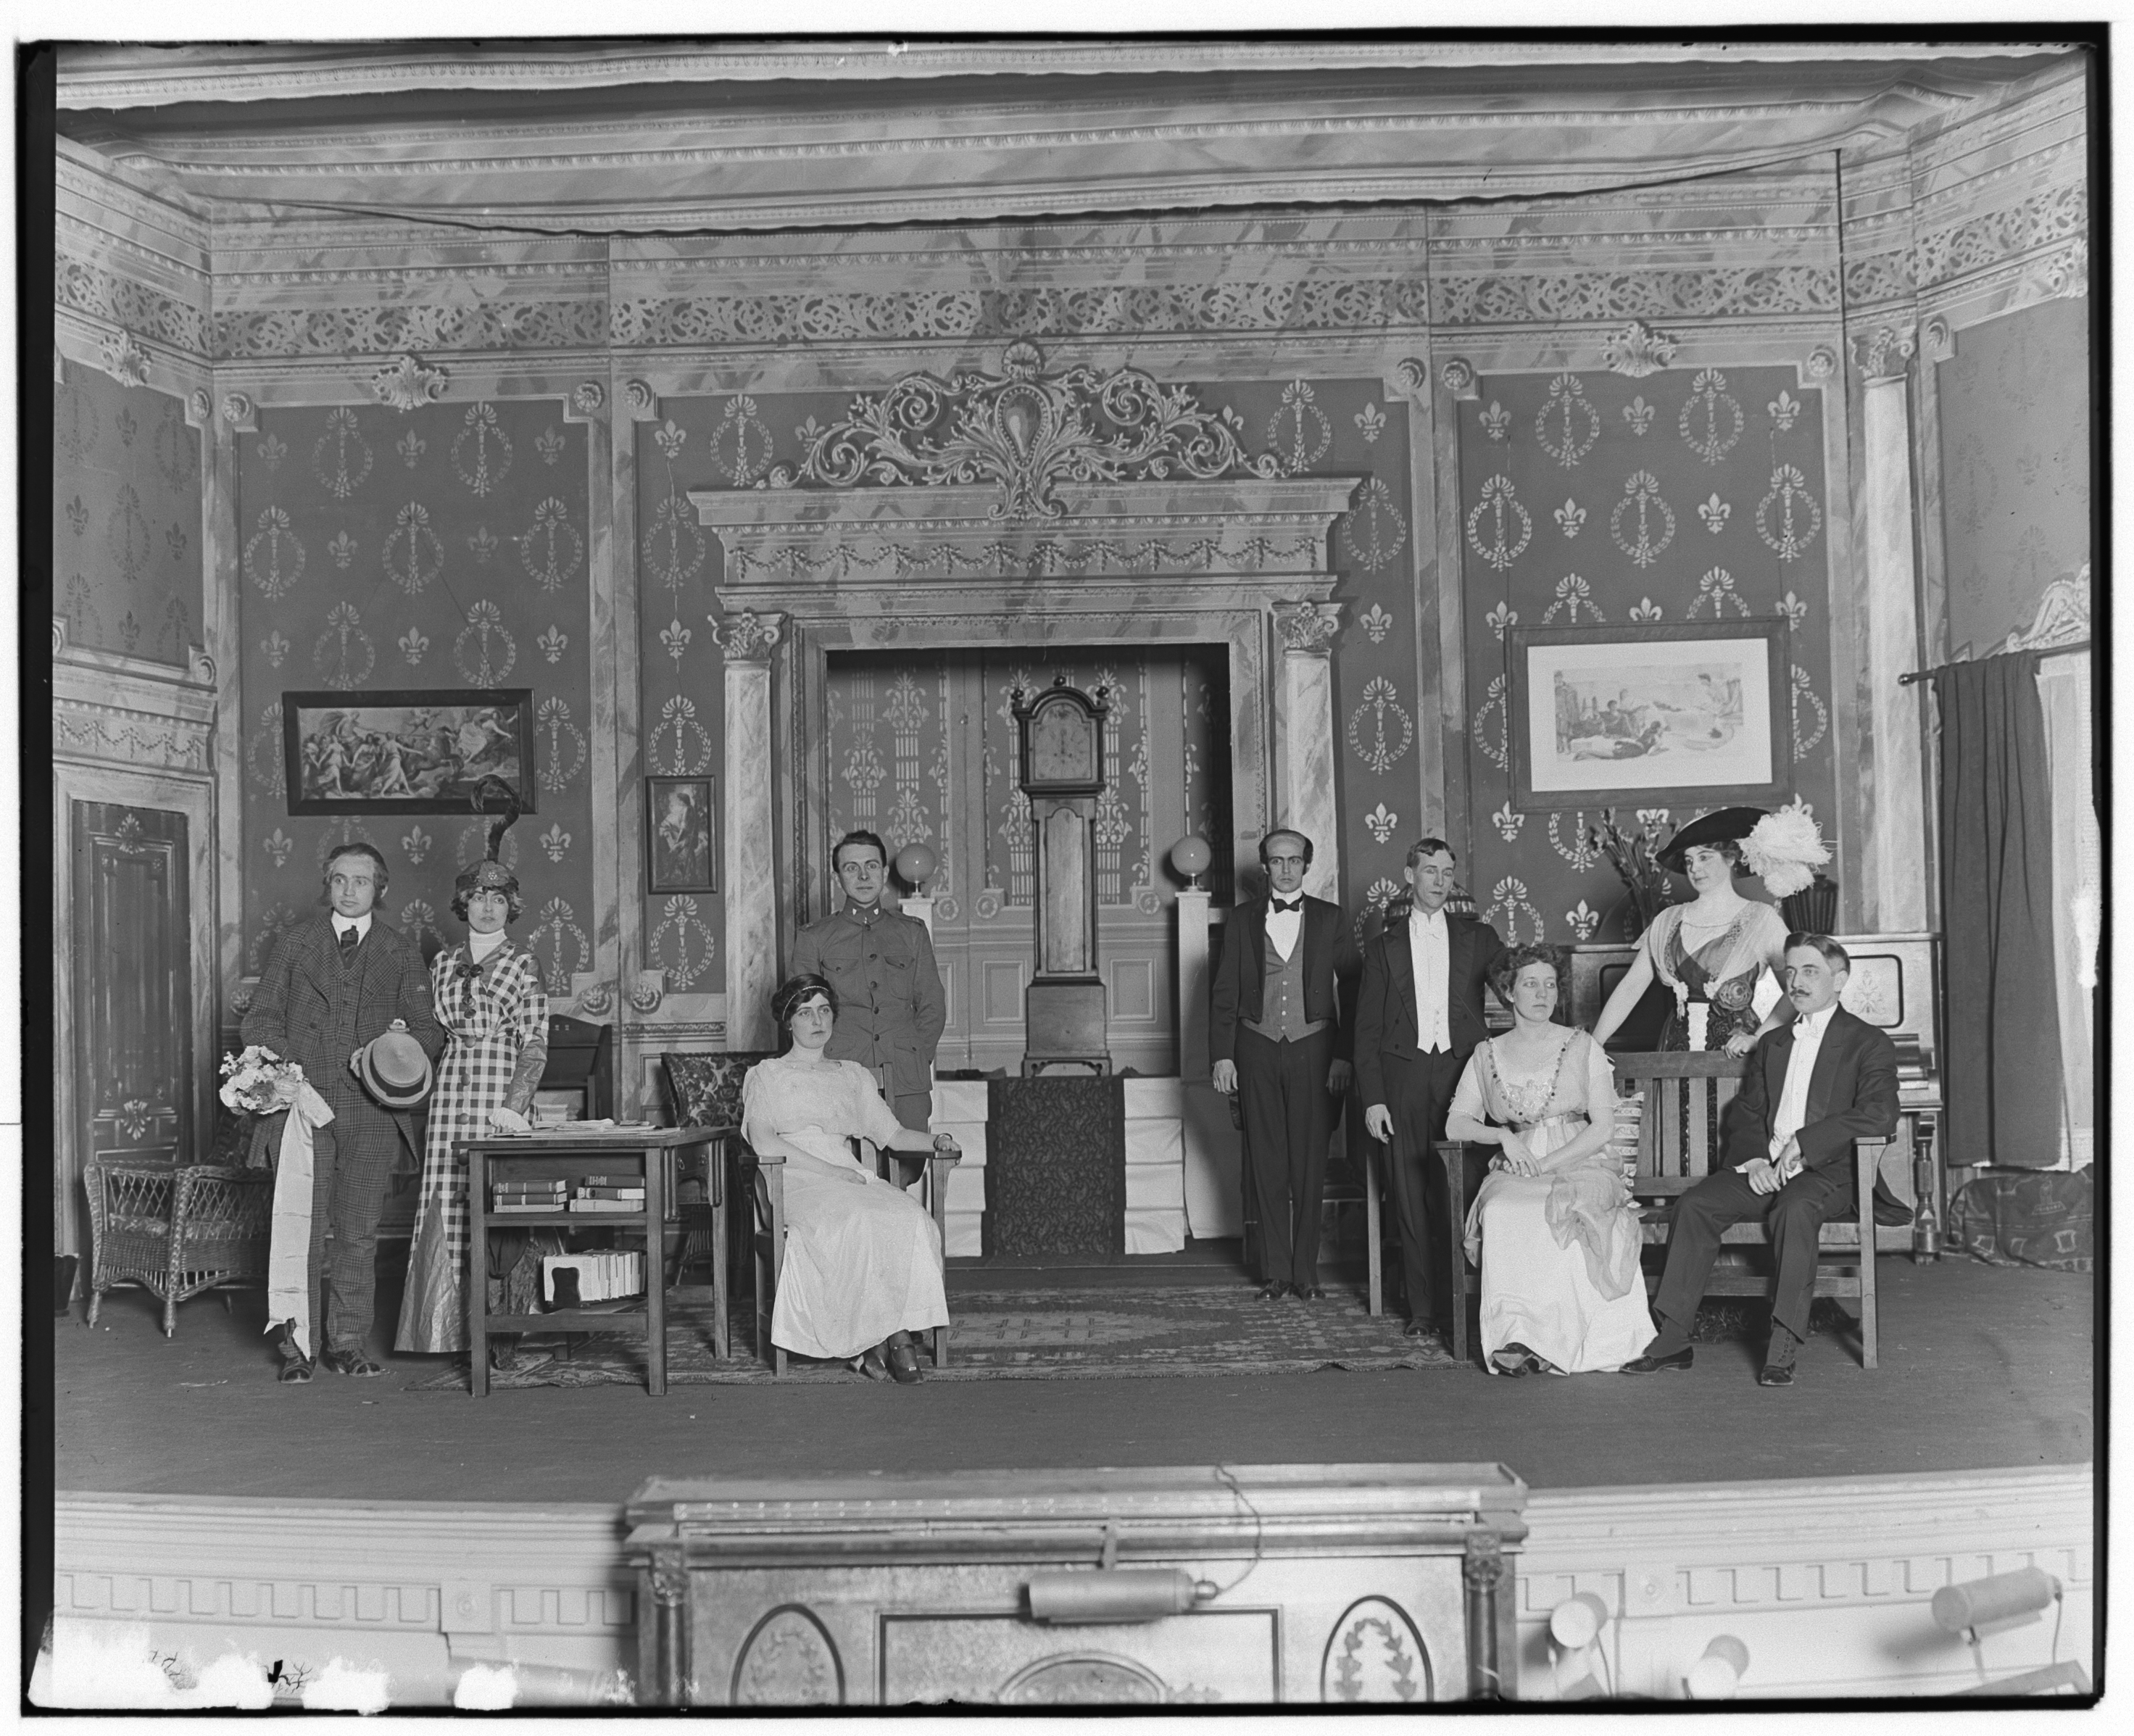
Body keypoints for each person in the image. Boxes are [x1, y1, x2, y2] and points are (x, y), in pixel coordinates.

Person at [1623, 934, 1901, 1387]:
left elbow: (1879, 1113)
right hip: (1765, 1169)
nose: (1796, 982)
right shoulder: (1773, 1043)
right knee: (1696, 1205)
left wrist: (1806, 1143)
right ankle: (1672, 1338)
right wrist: (1753, 1161)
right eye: (1790, 972)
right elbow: (1748, 1112)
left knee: (1796, 1208)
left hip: (1827, 1175)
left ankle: (1783, 1343)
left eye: (1810, 971)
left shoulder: (1867, 1042)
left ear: (1839, 979)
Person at [243, 842, 444, 1382]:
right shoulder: (297, 943)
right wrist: (290, 1065)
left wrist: (396, 1045)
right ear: (327, 885)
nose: (349, 890)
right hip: (303, 1107)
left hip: (372, 1110)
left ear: (380, 889)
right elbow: (260, 1019)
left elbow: (428, 1031)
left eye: (361, 880)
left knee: (357, 1233)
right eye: (339, 879)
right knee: (301, 1231)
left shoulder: (399, 950)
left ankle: (348, 1343)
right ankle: (297, 1347)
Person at [1442, 946, 1653, 1375]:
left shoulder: (1582, 1045)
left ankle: (1575, 1340)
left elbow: (1603, 1127)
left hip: (1582, 1158)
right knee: (1503, 1208)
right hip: (1518, 1161)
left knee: (1566, 1205)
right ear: (1508, 992)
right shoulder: (1486, 1053)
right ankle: (1518, 1337)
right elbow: (1455, 1124)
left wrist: (1549, 1163)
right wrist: (1503, 1136)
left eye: (1551, 985)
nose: (1543, 994)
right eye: (1531, 984)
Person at [742, 973, 955, 1383]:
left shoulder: (852, 1075)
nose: (817, 1020)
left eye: (824, 1010)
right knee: (855, 1218)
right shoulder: (766, 1075)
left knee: (909, 1216)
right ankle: (897, 1341)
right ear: (788, 1022)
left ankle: (880, 1341)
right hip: (790, 1177)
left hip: (848, 1175)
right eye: (805, 1013)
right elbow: (764, 1141)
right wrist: (832, 1172)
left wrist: (936, 1140)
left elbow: (893, 1134)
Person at [396, 805, 547, 1356]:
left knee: (497, 1202)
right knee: (445, 1196)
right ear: (464, 905)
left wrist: (514, 1107)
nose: (487, 907)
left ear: (511, 908)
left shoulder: (524, 963)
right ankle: (444, 1330)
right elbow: (431, 1033)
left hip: (499, 1094)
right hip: (449, 1095)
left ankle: (507, 1326)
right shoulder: (442, 963)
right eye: (479, 898)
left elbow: (535, 1041)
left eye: (498, 900)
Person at [1354, 836, 1506, 1341]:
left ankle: (1464, 1301)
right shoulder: (1383, 948)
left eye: (1447, 872)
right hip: (1402, 1076)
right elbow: (1366, 1032)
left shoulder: (1478, 938)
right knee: (1408, 1192)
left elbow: (1519, 982)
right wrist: (1374, 1099)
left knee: (1461, 1189)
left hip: (1461, 1076)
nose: (1439, 881)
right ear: (1410, 875)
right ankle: (1423, 1309)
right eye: (1429, 871)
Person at [1209, 828, 1360, 1300]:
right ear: (1265, 867)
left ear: (1307, 865)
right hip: (1255, 1047)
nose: (1287, 868)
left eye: (1294, 860)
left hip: (1315, 1048)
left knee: (1310, 1164)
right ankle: (1276, 1271)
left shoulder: (1332, 918)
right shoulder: (1242, 920)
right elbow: (1224, 992)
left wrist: (1344, 1054)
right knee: (1266, 1161)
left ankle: (1306, 1273)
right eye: (1277, 861)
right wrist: (1222, 1054)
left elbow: (1354, 990)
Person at [790, 830, 947, 1184]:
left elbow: (932, 1006)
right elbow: (803, 1014)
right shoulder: (815, 937)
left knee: (906, 1172)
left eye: (871, 866)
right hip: (841, 1074)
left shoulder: (912, 932)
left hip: (905, 1079)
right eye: (851, 868)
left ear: (884, 872)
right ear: (838, 877)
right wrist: (823, 1066)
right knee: (850, 1177)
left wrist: (915, 1055)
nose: (863, 876)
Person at [1590, 807, 1791, 1058]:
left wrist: (1758, 1038)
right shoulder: (1667, 920)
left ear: (1731, 858)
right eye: (1689, 861)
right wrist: (1594, 1045)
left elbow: (1795, 990)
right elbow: (1631, 987)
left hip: (1736, 1060)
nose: (1695, 868)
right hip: (1675, 1054)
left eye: (1705, 857)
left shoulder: (1762, 919)